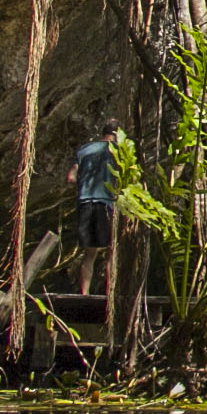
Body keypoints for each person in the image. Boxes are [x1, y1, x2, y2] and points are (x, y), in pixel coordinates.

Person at [65, 119, 122, 294]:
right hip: (105, 204)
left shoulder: (84, 150)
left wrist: (85, 184)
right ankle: (110, 293)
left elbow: (71, 178)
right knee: (111, 251)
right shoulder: (118, 152)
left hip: (85, 202)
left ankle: (84, 293)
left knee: (89, 254)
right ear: (116, 134)